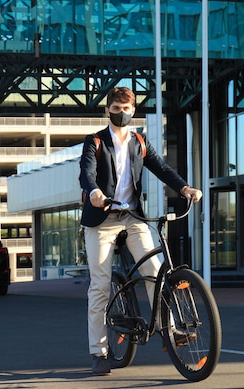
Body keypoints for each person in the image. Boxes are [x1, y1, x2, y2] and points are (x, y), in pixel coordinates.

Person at [79, 86, 202, 376]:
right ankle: (99, 351)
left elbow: (161, 168)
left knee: (155, 270)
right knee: (99, 285)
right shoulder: (95, 142)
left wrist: (184, 187)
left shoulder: (139, 142)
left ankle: (170, 330)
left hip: (132, 217)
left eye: (127, 108)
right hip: (101, 220)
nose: (122, 113)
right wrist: (94, 192)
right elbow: (87, 174)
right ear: (108, 109)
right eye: (116, 108)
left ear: (134, 111)